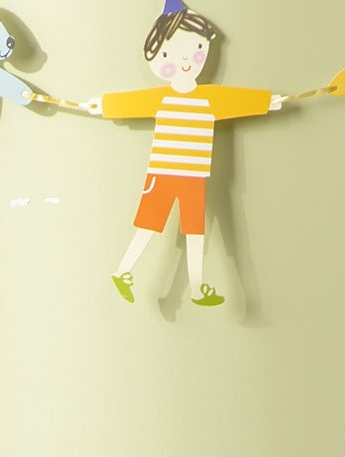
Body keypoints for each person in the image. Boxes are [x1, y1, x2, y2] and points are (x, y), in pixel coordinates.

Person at [85, 4, 285, 309]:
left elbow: (237, 100)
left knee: (194, 231)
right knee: (150, 226)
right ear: (154, 57)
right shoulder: (162, 99)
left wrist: (265, 102)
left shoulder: (209, 99)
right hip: (164, 173)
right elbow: (132, 103)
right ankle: (123, 271)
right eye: (168, 55)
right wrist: (104, 105)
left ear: (205, 47)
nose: (185, 62)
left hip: (193, 176)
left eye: (195, 50)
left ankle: (194, 287)